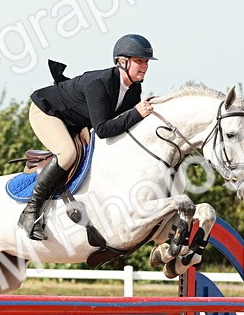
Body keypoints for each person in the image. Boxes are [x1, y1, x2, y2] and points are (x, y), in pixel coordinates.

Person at [18, 33, 157, 240]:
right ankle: (30, 212)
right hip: (47, 112)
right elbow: (102, 129)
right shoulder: (100, 83)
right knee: (68, 154)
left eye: (146, 61)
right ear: (122, 62)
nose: (144, 66)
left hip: (76, 121)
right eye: (139, 61)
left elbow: (123, 125)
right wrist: (136, 113)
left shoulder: (133, 89)